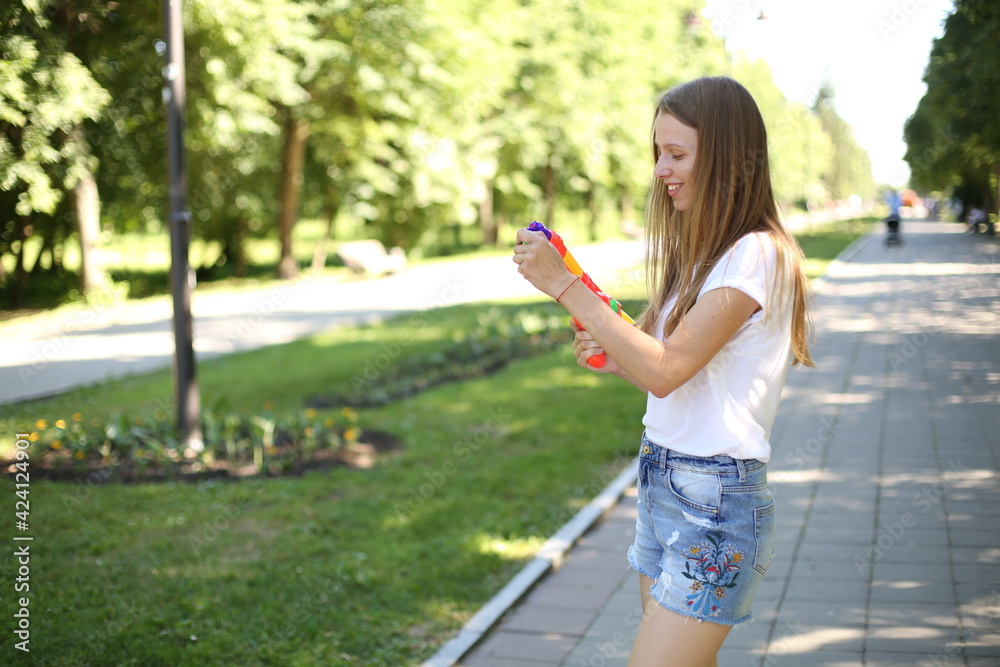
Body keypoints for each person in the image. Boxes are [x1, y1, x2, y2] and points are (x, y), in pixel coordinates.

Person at [512, 76, 813, 667]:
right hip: (664, 483)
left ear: (726, 158)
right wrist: (616, 355)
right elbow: (673, 375)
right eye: (658, 153)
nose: (660, 170)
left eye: (676, 154)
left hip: (714, 502)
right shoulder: (704, 257)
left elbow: (668, 369)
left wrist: (564, 285)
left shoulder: (757, 253)